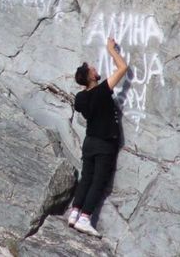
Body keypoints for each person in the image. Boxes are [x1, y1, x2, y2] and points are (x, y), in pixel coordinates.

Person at [64, 36, 128, 237]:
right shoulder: (101, 92)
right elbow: (122, 69)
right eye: (92, 69)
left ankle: (74, 213)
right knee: (98, 181)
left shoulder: (81, 97)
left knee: (86, 179)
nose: (95, 69)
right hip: (103, 143)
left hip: (89, 142)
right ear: (90, 77)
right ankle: (85, 218)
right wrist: (111, 49)